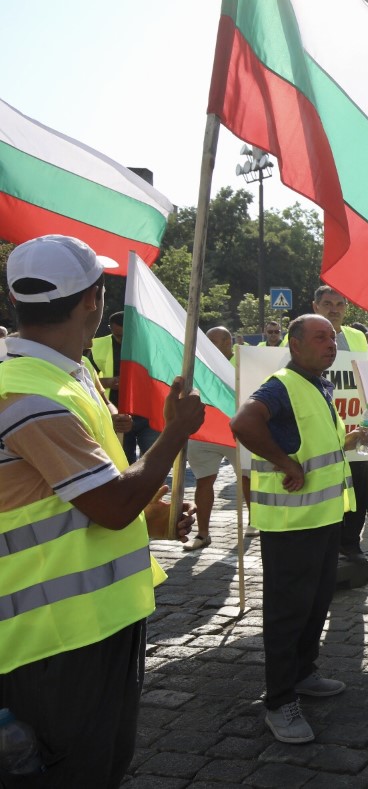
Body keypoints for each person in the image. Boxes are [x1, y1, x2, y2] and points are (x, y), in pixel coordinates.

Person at [0, 234, 203, 784]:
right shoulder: (29, 395)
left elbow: (84, 499)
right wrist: (174, 435)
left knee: (105, 767)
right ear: (93, 299)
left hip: (97, 622)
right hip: (52, 641)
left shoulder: (68, 376)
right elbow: (112, 505)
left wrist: (151, 517)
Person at [230, 314, 366, 743]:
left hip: (322, 519)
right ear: (294, 343)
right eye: (321, 338)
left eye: (333, 338)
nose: (331, 344)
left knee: (315, 604)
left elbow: (313, 445)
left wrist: (349, 440)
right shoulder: (282, 384)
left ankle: (304, 674)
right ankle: (279, 701)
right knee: (288, 613)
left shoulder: (318, 385)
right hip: (291, 524)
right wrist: (284, 462)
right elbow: (243, 423)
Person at [310, 285, 368, 560]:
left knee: (359, 487)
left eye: (340, 304)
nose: (334, 309)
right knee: (324, 487)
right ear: (315, 306)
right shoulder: (300, 332)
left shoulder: (357, 338)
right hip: (318, 428)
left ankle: (350, 541)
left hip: (354, 424)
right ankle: (323, 544)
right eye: (328, 303)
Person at [183, 326, 240, 552]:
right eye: (207, 341)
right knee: (203, 481)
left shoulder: (243, 363)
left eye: (215, 341)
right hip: (204, 433)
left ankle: (255, 521)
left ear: (229, 342)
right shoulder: (196, 364)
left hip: (237, 433)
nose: (210, 346)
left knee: (247, 480)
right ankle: (203, 533)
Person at [90, 310, 160, 462]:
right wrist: (109, 382)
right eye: (118, 336)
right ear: (111, 328)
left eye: (126, 336)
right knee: (123, 462)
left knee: (152, 461)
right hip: (117, 416)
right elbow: (85, 380)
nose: (122, 340)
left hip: (148, 415)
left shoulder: (151, 344)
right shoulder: (97, 346)